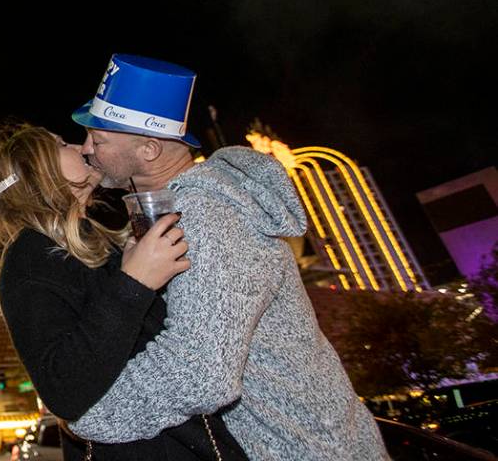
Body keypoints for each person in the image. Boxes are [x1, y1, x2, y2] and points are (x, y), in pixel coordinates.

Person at [65, 54, 387, 461]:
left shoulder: (204, 215)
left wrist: (88, 415)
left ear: (149, 148)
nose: (86, 149)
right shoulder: (177, 211)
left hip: (306, 449)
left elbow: (201, 369)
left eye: (98, 140)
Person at [0, 118, 248, 461]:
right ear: (38, 172)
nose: (81, 147)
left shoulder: (96, 243)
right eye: (62, 145)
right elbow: (63, 388)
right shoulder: (30, 258)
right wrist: (134, 283)